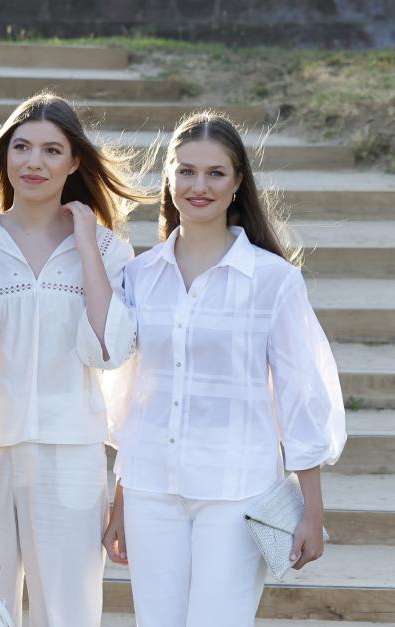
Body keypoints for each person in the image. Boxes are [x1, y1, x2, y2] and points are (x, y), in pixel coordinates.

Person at [102, 111, 347, 627]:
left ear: (238, 183)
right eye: (187, 171)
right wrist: (121, 494)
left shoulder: (272, 280)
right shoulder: (141, 275)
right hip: (150, 488)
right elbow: (133, 395)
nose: (199, 185)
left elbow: (301, 396)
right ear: (168, 177)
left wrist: (312, 509)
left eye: (216, 173)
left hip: (237, 491)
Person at [0, 92, 146, 626]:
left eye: (50, 150)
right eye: (21, 147)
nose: (33, 162)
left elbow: (109, 351)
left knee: (66, 614)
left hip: (71, 458)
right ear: (4, 156)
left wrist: (85, 241)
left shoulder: (109, 250)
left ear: (74, 162)